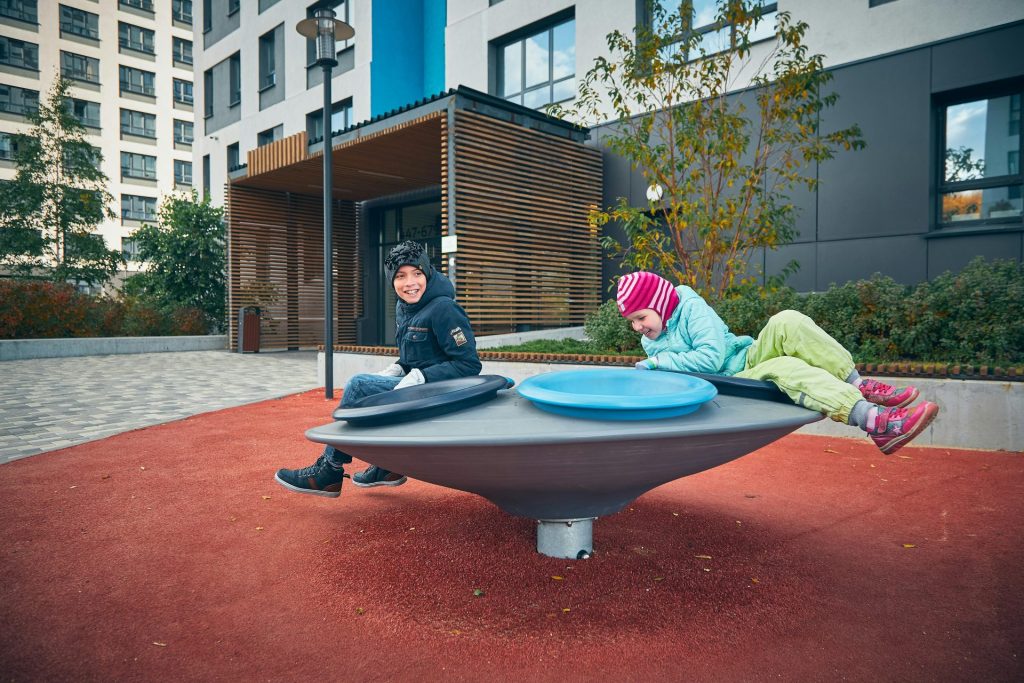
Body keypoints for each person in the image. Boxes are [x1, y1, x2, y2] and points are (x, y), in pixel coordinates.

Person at [615, 271, 939, 455]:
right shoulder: (651, 340)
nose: (638, 328)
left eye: (641, 317)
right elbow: (710, 368)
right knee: (787, 368)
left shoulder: (689, 307)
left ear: (659, 303)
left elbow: (711, 357)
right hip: (738, 379)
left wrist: (658, 362)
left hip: (743, 357)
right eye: (631, 321)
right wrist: (657, 360)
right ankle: (877, 422)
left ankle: (858, 383)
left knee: (788, 320)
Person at [275, 240, 482, 497]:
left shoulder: (444, 309)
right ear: (391, 281)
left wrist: (421, 376)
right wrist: (399, 367)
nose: (410, 283)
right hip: (419, 389)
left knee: (359, 385)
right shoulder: (404, 307)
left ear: (427, 272)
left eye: (417, 273)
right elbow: (414, 356)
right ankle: (387, 466)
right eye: (401, 276)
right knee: (368, 385)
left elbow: (469, 364)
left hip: (439, 394)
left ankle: (329, 470)